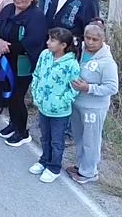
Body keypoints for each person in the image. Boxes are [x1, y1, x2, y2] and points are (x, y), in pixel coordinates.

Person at [0, 0, 47, 146]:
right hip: (6, 60)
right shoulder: (8, 9)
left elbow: (32, 42)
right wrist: (0, 40)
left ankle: (22, 132)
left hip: (23, 63)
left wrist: (6, 47)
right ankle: (13, 124)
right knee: (7, 92)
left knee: (17, 96)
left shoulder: (36, 16)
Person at [28, 28, 82, 183]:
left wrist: (61, 101)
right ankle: (44, 160)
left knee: (56, 141)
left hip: (60, 111)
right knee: (45, 137)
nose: (48, 43)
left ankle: (54, 167)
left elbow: (74, 88)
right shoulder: (45, 55)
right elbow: (37, 74)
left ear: (63, 45)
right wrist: (36, 94)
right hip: (43, 106)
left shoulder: (71, 64)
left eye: (52, 40)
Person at [68, 23, 120, 183]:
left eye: (95, 39)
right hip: (77, 103)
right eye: (88, 38)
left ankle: (89, 172)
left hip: (93, 107)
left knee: (91, 140)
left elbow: (112, 87)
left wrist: (89, 88)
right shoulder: (79, 50)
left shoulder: (107, 62)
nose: (90, 42)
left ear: (102, 40)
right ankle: (81, 165)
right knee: (79, 137)